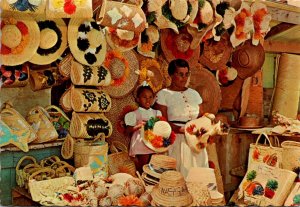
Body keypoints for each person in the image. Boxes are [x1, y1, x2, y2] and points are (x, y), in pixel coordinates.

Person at [153, 58, 208, 178]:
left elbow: (201, 116)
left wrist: (203, 129)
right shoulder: (163, 95)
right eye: (180, 74)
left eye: (186, 74)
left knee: (198, 175)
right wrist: (182, 130)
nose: (184, 78)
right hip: (177, 140)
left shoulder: (194, 94)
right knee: (180, 175)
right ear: (171, 74)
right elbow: (162, 121)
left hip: (195, 139)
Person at [124, 83, 162, 173]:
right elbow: (127, 131)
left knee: (153, 168)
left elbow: (160, 128)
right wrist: (137, 126)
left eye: (150, 97)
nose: (148, 100)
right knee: (143, 168)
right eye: (144, 97)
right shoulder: (134, 114)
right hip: (140, 144)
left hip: (153, 143)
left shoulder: (157, 113)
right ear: (138, 99)